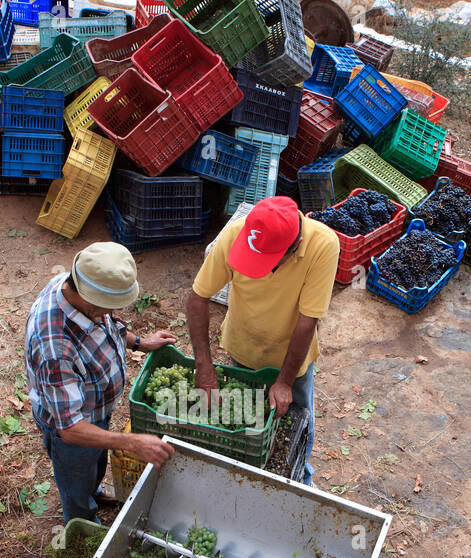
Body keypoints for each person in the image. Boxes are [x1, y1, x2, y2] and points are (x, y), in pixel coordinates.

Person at [185, 196, 339, 484]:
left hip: (291, 359)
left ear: (291, 249)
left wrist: (285, 381)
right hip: (243, 348)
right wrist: (203, 365)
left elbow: (307, 322)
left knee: (297, 425)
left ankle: (302, 482)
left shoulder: (324, 246)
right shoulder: (236, 233)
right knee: (245, 424)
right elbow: (197, 297)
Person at [24, 242, 177, 522]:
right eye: (107, 307)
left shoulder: (73, 285)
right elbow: (70, 429)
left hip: (94, 413)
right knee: (76, 481)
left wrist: (140, 343)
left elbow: (103, 328)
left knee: (94, 466)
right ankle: (83, 523)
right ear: (89, 299)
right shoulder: (54, 349)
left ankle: (93, 491)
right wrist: (130, 442)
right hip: (73, 429)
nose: (110, 313)